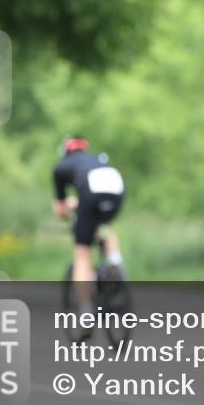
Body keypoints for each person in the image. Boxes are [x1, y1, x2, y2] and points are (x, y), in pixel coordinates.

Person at [53, 136, 126, 333]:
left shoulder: (61, 167)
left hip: (90, 191)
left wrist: (70, 215)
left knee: (82, 253)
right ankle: (115, 264)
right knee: (105, 227)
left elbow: (61, 209)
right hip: (116, 185)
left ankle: (86, 313)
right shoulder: (98, 160)